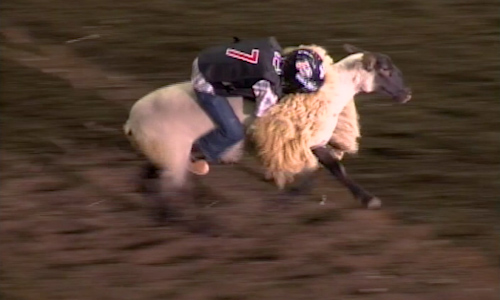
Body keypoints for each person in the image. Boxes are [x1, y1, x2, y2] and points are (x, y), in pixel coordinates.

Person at [189, 37, 326, 175]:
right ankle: (192, 156)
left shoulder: (272, 46)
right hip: (204, 78)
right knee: (233, 133)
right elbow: (262, 117)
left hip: (208, 57)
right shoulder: (268, 85)